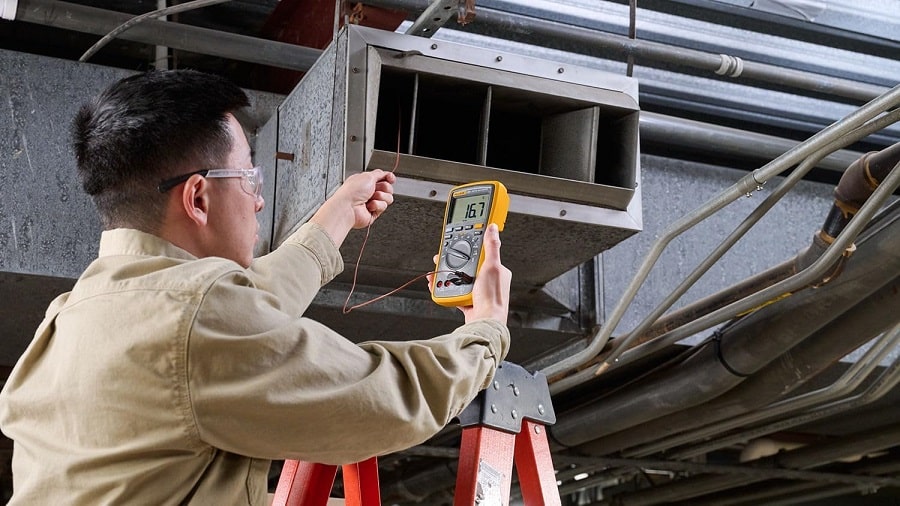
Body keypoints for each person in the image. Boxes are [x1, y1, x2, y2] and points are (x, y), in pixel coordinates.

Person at [0, 69, 511, 504]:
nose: (259, 202)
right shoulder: (197, 319)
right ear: (198, 198)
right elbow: (387, 397)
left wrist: (333, 221)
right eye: (250, 179)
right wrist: (484, 330)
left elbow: (239, 306)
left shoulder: (71, 315)